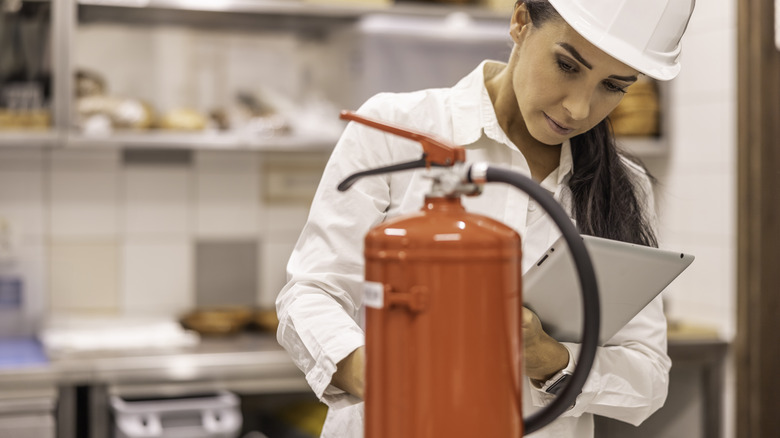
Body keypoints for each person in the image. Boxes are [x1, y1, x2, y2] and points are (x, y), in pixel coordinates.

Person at [276, 0, 696, 436]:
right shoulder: (394, 131)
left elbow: (648, 377)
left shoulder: (621, 185)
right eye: (567, 66)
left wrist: (548, 357)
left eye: (613, 85)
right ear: (520, 21)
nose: (578, 108)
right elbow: (311, 293)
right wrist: (379, 375)